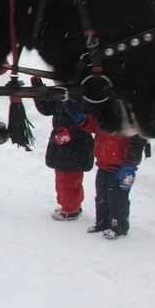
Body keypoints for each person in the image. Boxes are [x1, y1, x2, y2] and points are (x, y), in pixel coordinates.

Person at [31, 77, 94, 220]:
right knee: (65, 178)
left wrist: (71, 133)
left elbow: (88, 124)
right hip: (62, 144)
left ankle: (70, 210)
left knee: (68, 180)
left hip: (76, 146)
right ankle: (73, 205)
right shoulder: (61, 94)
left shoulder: (81, 96)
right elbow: (47, 108)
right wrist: (39, 90)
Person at [79, 115, 147, 239]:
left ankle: (118, 227)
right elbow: (93, 125)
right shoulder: (105, 114)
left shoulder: (129, 119)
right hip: (103, 165)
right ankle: (102, 223)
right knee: (101, 197)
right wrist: (81, 119)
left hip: (121, 168)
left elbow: (137, 143)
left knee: (118, 199)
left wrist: (130, 165)